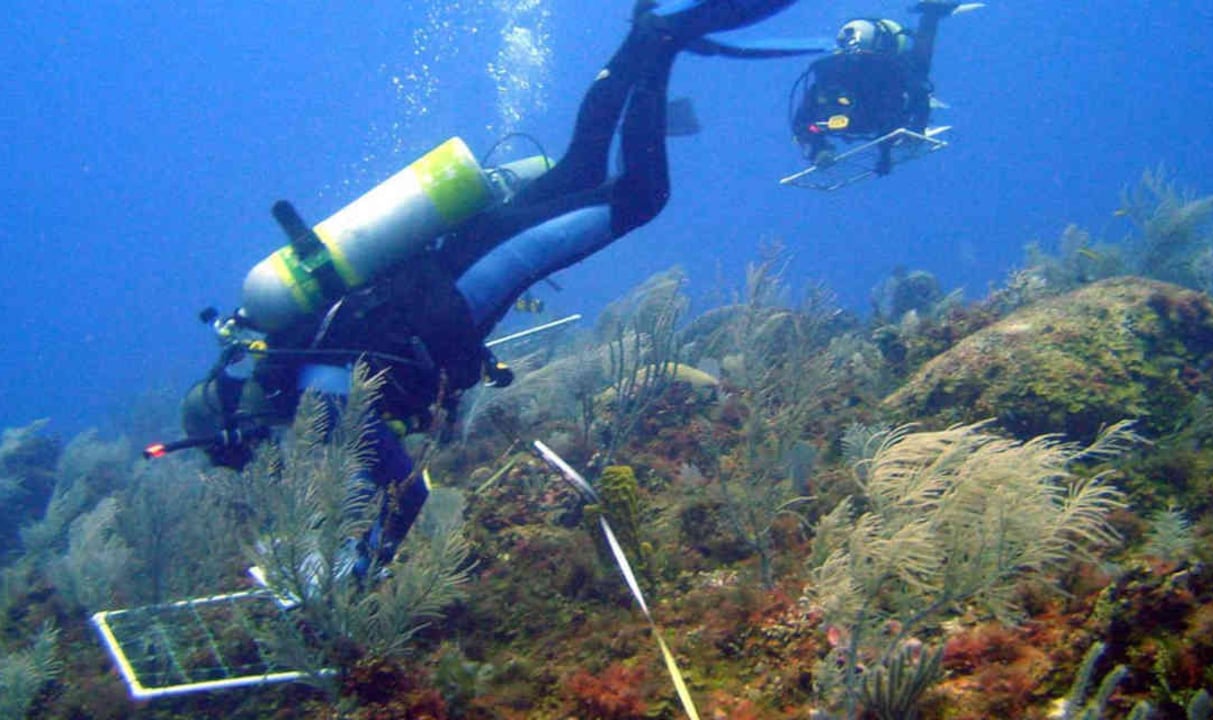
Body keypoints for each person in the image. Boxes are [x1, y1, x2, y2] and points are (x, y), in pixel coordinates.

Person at [176, 0, 803, 582]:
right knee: (582, 167)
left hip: (478, 269)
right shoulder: (301, 363)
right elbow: (373, 464)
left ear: (242, 427)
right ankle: (640, 40)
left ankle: (659, 44)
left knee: (639, 198)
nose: (270, 451)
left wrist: (360, 570)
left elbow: (405, 489)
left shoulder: (318, 395)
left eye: (254, 449)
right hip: (462, 251)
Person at [790, 1, 962, 175]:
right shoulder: (887, 71)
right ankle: (931, 16)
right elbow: (913, 99)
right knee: (919, 67)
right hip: (868, 118)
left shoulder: (832, 74)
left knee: (917, 69)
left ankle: (930, 15)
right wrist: (819, 150)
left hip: (866, 119)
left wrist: (818, 149)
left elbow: (802, 122)